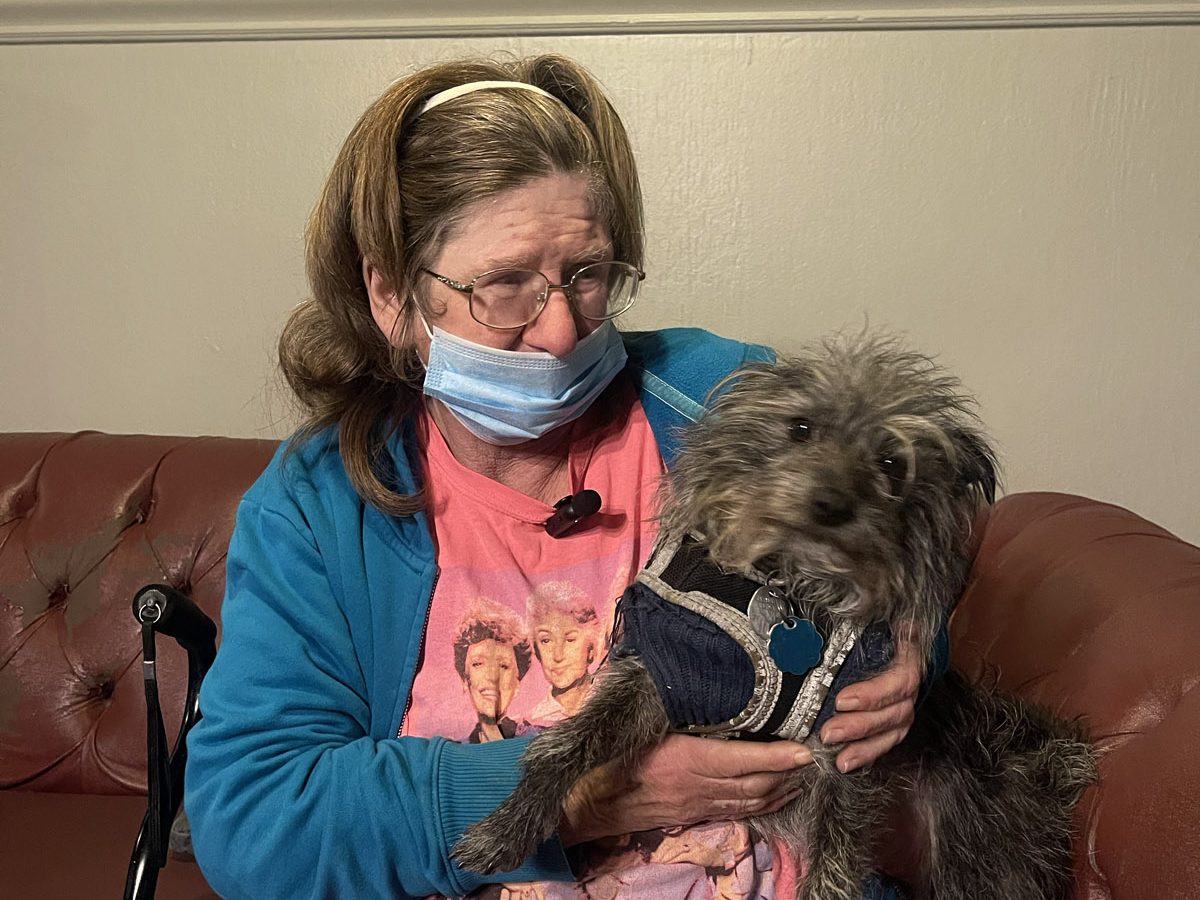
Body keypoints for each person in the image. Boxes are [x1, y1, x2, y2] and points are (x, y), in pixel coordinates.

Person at [185, 54, 926, 900]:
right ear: (392, 297)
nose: (563, 331)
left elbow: (909, 518)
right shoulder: (318, 507)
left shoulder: (723, 400)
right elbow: (254, 822)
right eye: (506, 286)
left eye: (588, 275)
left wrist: (910, 649)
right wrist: (579, 797)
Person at [452, 597, 534, 743]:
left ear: (517, 684)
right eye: (478, 664)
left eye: (503, 666)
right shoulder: (454, 752)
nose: (491, 677)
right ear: (465, 680)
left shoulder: (541, 741)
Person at [525, 580, 605, 725]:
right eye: (546, 641)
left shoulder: (613, 701)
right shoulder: (529, 723)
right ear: (536, 650)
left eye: (570, 640)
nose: (557, 656)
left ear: (591, 647)